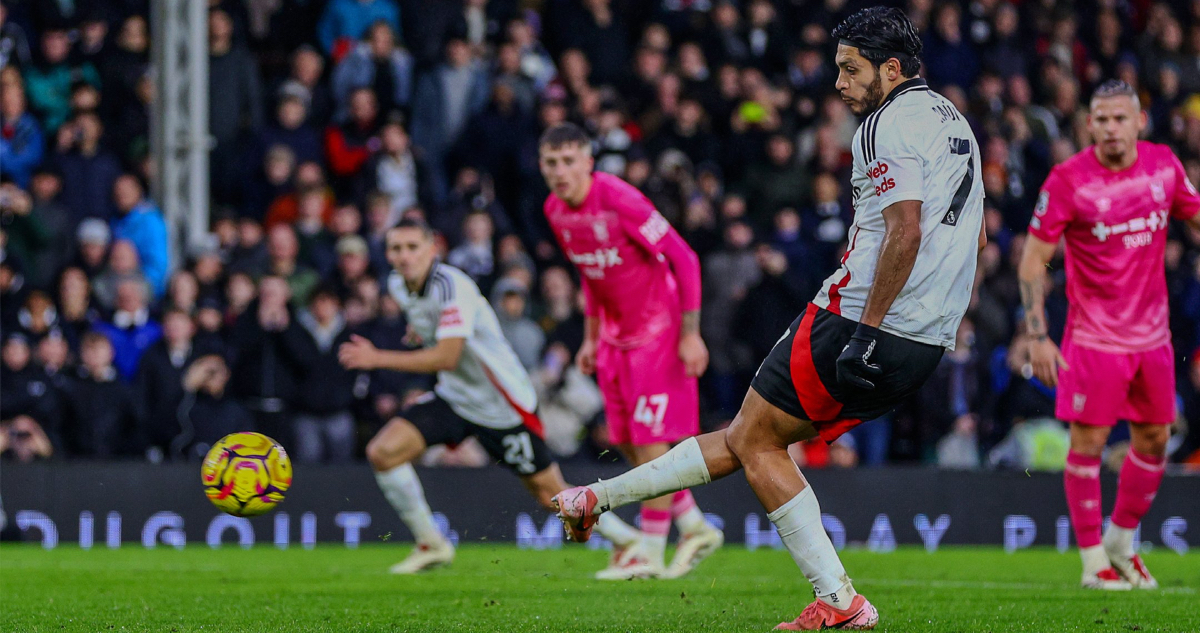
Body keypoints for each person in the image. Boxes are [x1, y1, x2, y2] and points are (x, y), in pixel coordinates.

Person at [551, 8, 984, 629]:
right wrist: (939, 323)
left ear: (890, 69)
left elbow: (905, 230)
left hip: (858, 319)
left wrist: (865, 329)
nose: (838, 82)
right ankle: (593, 499)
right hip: (928, 338)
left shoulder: (883, 124)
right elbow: (978, 238)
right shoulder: (957, 124)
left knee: (753, 439)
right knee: (751, 437)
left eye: (850, 69)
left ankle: (840, 602)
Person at [337, 218, 638, 574]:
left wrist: (377, 358)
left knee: (549, 495)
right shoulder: (398, 286)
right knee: (382, 452)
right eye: (396, 248)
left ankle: (628, 541)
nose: (404, 256)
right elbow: (437, 337)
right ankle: (431, 543)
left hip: (503, 405)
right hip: (456, 396)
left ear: (432, 248)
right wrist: (420, 335)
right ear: (387, 253)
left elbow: (447, 356)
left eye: (412, 247)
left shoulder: (452, 286)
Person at [1017, 80, 1200, 591]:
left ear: (1140, 121)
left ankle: (1121, 541)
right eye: (1101, 119)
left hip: (1153, 338)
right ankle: (1092, 560)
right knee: (1089, 444)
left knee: (1156, 440)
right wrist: (1037, 334)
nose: (1110, 128)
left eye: (1120, 118)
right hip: (1094, 339)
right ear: (1088, 124)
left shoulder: (1164, 166)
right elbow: (1033, 261)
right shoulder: (1068, 180)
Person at [539, 122, 724, 580]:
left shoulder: (621, 200)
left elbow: (685, 258)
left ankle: (649, 550)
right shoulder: (555, 210)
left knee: (651, 443)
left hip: (658, 331)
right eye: (550, 163)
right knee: (625, 440)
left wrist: (690, 333)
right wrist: (588, 336)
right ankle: (695, 526)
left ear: (588, 161)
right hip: (613, 337)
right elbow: (590, 274)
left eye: (568, 161)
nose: (560, 171)